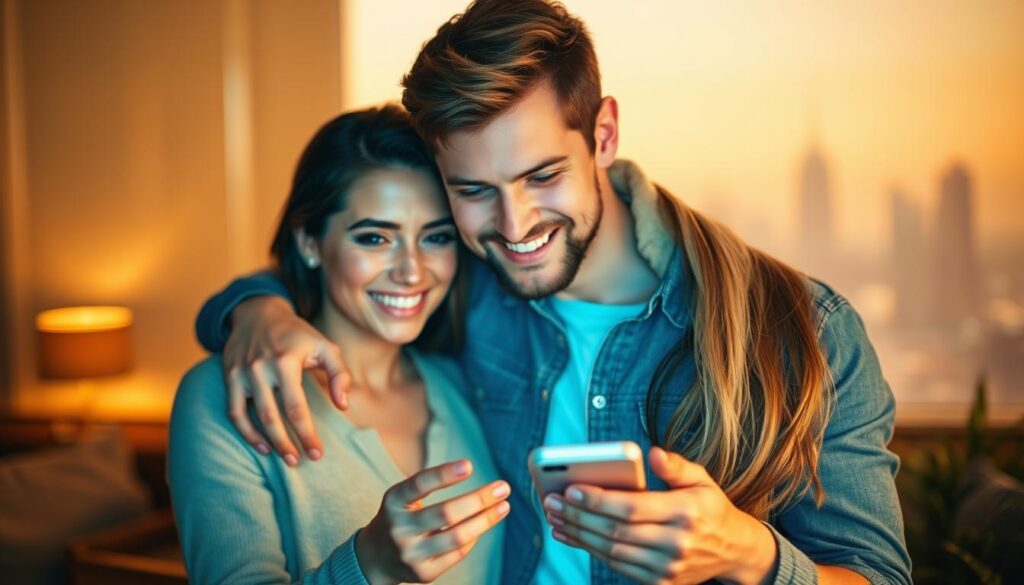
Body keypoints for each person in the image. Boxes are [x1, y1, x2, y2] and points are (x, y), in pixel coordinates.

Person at [194, 1, 912, 583]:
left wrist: (750, 556)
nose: (514, 226)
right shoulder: (471, 279)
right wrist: (256, 310)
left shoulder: (804, 328)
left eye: (542, 176)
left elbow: (877, 575)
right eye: (473, 192)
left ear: (602, 134)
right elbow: (358, 267)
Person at [169, 105, 507, 585]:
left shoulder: (463, 380)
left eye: (436, 237)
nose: (412, 272)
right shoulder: (222, 395)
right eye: (374, 238)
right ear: (309, 241)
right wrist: (369, 565)